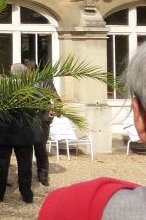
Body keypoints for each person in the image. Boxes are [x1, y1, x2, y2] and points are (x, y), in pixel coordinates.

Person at [39, 43, 146, 219]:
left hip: (41, 124)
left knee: (39, 153)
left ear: (139, 118)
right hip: (20, 129)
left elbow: (56, 100)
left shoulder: (69, 207)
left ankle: (41, 178)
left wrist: (52, 114)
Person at [0, 63, 41, 204]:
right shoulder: (30, 88)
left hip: (6, 131)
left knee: (2, 164)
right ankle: (26, 194)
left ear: (11, 72)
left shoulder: (3, 87)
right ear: (25, 73)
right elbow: (36, 108)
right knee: (25, 165)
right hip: (24, 131)